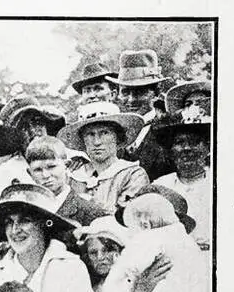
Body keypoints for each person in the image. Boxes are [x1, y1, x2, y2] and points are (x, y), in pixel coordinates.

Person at [58, 101, 148, 213]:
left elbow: (129, 215)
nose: (97, 142)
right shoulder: (74, 176)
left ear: (117, 137)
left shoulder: (132, 174)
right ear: (82, 140)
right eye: (90, 134)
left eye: (105, 133)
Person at [109, 49, 173, 181]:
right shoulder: (113, 132)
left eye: (139, 92)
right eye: (126, 92)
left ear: (156, 93)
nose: (131, 99)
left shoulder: (169, 130)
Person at [153, 112, 212, 253]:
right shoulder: (161, 186)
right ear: (171, 151)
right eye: (179, 143)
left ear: (207, 148)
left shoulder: (219, 183)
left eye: (194, 142)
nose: (186, 149)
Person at [25, 136, 107, 227]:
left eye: (51, 167)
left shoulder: (93, 213)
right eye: (37, 170)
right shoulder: (26, 212)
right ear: (30, 173)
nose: (46, 175)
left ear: (67, 165)